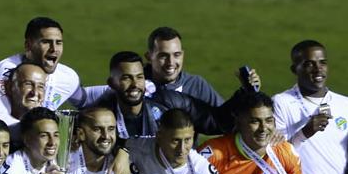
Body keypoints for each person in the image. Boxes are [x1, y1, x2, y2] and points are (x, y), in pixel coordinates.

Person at [199, 91, 322, 174]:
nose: (263, 128)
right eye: (255, 121)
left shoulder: (284, 152)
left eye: (269, 120)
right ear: (239, 122)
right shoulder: (213, 154)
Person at [273, 40, 348, 174]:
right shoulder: (282, 103)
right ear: (295, 69)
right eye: (309, 64)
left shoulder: (346, 105)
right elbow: (276, 157)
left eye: (322, 62)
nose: (318, 69)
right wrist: (304, 133)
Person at [95, 51, 243, 139]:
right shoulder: (102, 116)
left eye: (139, 77)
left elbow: (217, 121)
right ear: (112, 83)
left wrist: (245, 93)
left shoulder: (168, 102)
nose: (135, 84)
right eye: (126, 78)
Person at [0, 17, 83, 121]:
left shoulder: (67, 76)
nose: (54, 49)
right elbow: (0, 119)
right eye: (46, 42)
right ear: (28, 45)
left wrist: (104, 92)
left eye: (58, 42)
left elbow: (85, 99)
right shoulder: (10, 70)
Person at [144, 27, 223, 106]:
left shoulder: (196, 85)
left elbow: (224, 115)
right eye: (163, 56)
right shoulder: (138, 85)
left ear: (182, 55)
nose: (170, 62)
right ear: (149, 57)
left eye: (176, 55)